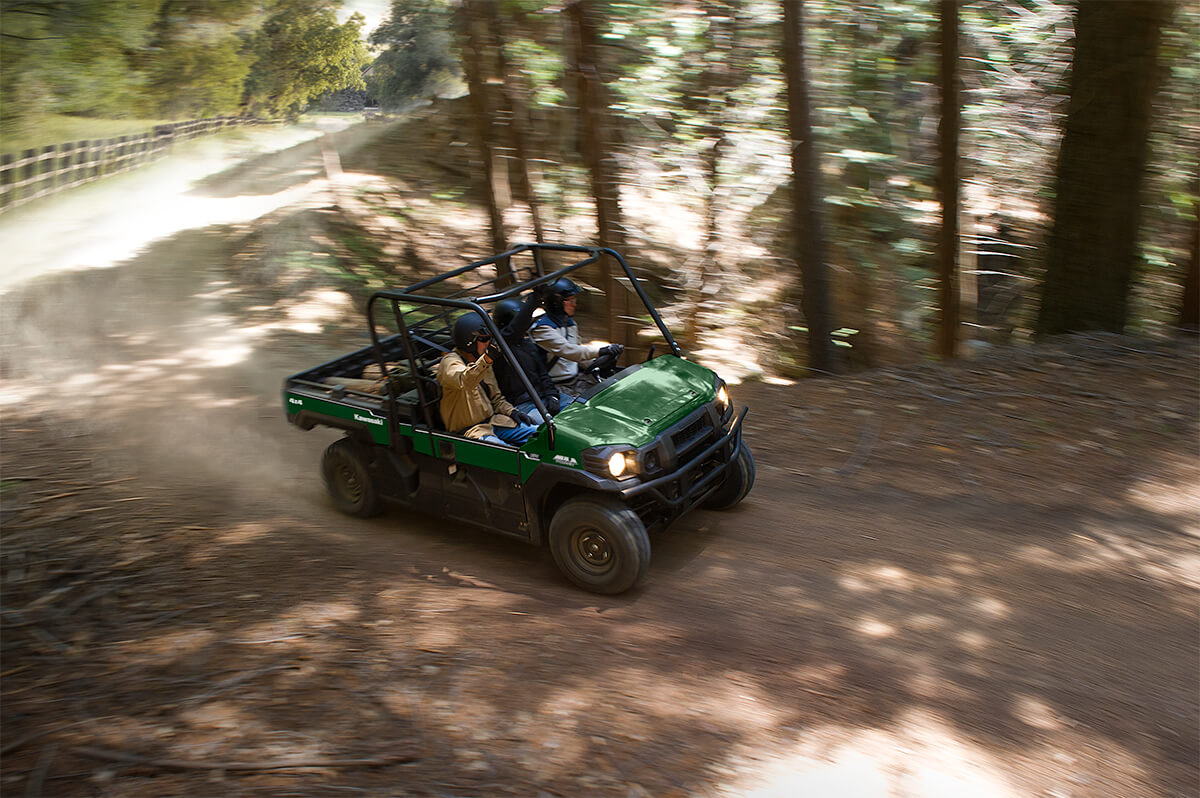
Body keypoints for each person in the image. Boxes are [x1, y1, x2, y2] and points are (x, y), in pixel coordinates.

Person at [436, 311, 539, 446]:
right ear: (469, 342)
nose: (488, 343)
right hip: (472, 431)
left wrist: (511, 411)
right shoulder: (450, 362)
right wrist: (487, 359)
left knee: (540, 436)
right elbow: (464, 381)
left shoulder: (483, 361)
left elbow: (496, 399)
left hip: (495, 422)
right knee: (508, 456)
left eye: (490, 338)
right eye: (484, 339)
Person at [530, 277, 624, 397]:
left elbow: (579, 353)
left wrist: (600, 362)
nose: (574, 304)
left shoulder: (569, 323)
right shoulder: (543, 329)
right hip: (556, 386)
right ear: (556, 303)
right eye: (570, 300)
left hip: (576, 379)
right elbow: (570, 351)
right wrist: (601, 350)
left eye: (575, 299)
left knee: (612, 392)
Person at [491, 296, 573, 424]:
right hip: (522, 404)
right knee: (550, 427)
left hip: (542, 397)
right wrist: (534, 300)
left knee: (577, 409)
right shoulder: (498, 348)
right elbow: (510, 333)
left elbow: (543, 374)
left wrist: (552, 395)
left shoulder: (527, 344)